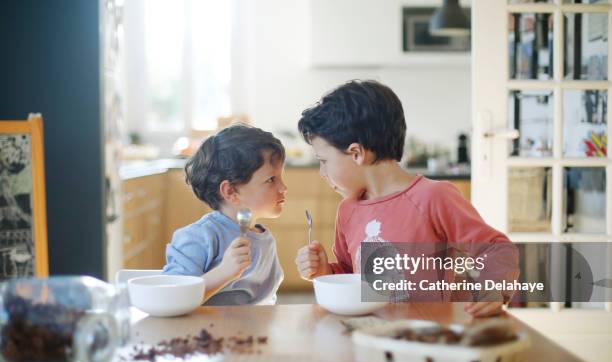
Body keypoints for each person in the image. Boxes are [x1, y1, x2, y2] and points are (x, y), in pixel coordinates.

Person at [294, 80, 518, 317]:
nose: (322, 173)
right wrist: (324, 271)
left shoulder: (434, 197)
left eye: (323, 161)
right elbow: (353, 279)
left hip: (431, 337)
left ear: (356, 153)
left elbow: (497, 249)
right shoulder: (348, 210)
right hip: (372, 336)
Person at [163, 124, 287, 305]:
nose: (284, 188)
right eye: (271, 179)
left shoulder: (265, 239)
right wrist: (223, 272)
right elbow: (171, 298)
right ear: (230, 192)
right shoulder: (199, 237)